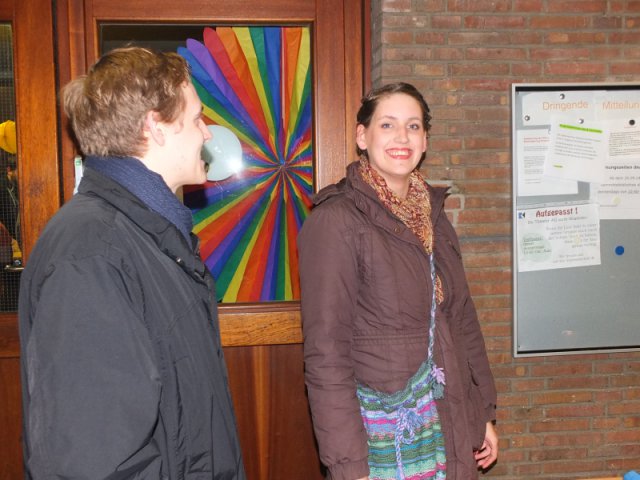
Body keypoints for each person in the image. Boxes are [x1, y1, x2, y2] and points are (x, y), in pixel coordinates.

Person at [19, 47, 246, 479]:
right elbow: (95, 460)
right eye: (197, 118)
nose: (207, 133)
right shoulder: (91, 255)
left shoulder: (150, 236)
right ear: (155, 127)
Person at [298, 82, 498, 480]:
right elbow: (326, 352)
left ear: (425, 141)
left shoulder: (435, 218)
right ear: (362, 136)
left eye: (413, 126)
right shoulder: (336, 221)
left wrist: (483, 414)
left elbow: (462, 321)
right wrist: (349, 465)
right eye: (387, 125)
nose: (402, 138)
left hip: (449, 420)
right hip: (383, 436)